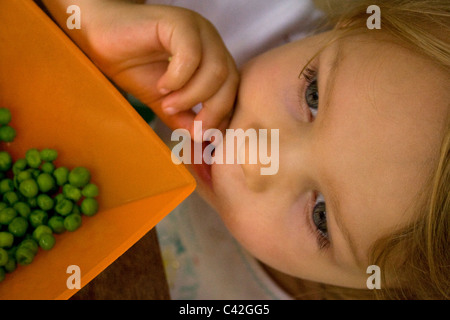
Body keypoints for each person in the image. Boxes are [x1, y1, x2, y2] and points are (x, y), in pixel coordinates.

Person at [42, 0, 449, 299]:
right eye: (312, 95)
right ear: (349, 25)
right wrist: (87, 20)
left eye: (321, 215)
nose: (253, 154)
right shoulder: (242, 14)